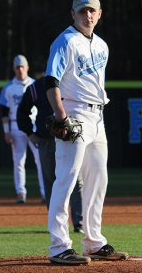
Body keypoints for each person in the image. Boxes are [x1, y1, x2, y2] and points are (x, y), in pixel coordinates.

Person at [44, 0, 128, 265]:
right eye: (82, 10)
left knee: (98, 180)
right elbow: (51, 82)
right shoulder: (65, 42)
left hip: (98, 117)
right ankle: (59, 247)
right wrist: (61, 117)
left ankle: (93, 241)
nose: (87, 14)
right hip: (74, 113)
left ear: (99, 13)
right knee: (66, 180)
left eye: (92, 10)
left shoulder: (102, 45)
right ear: (73, 14)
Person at [17, 76, 84, 233]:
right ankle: (56, 224)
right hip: (47, 140)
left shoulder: (73, 81)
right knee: (51, 181)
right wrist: (30, 133)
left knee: (75, 179)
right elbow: (22, 112)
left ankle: (79, 222)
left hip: (70, 140)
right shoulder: (37, 86)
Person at [0, 54, 45, 204]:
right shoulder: (9, 87)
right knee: (18, 161)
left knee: (40, 159)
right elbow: (4, 112)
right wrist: (6, 131)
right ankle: (21, 192)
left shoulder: (34, 84)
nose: (20, 69)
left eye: (22, 66)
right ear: (13, 69)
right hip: (16, 126)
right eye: (17, 67)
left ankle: (45, 192)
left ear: (27, 68)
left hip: (34, 125)